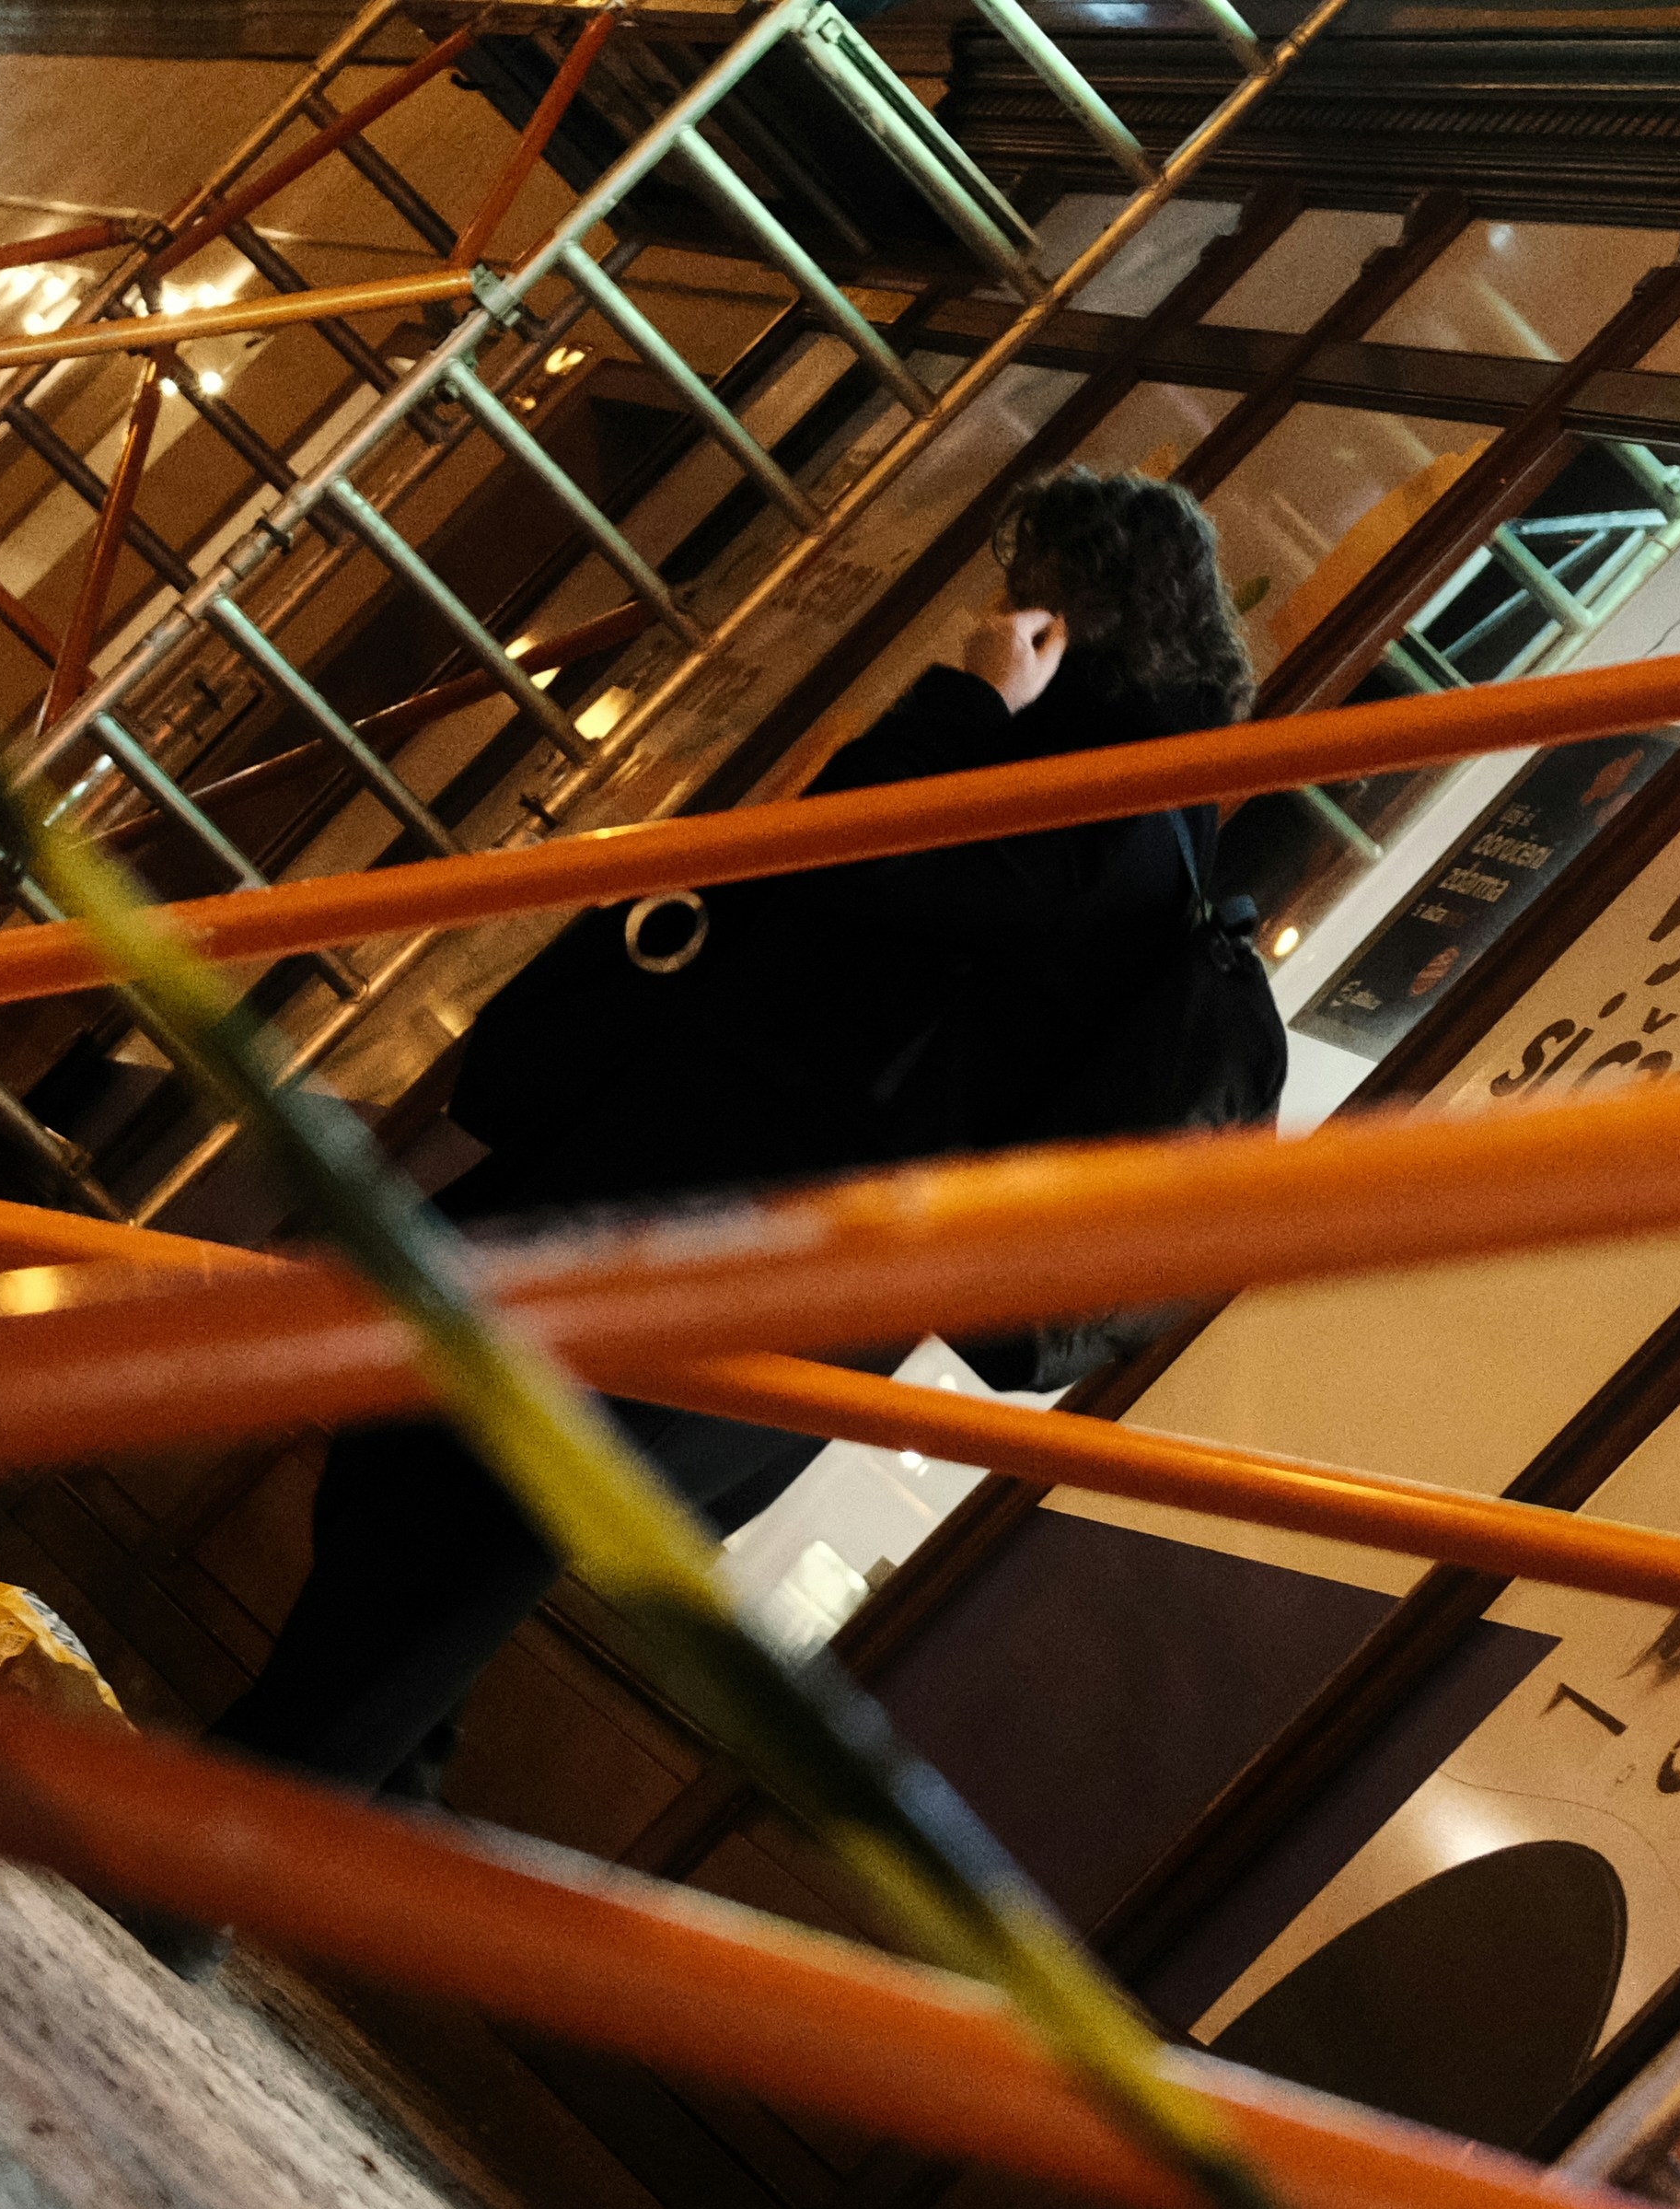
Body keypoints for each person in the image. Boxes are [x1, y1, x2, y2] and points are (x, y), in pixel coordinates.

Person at [195, 467, 1261, 1835]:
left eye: (1024, 588)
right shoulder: (1096, 793)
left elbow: (851, 860)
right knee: (424, 1442)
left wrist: (965, 700)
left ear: (1076, 612)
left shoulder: (1113, 814)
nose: (998, 611)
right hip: (683, 1183)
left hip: (754, 1236)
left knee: (488, 1488)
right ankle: (376, 1782)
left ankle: (247, 1822)